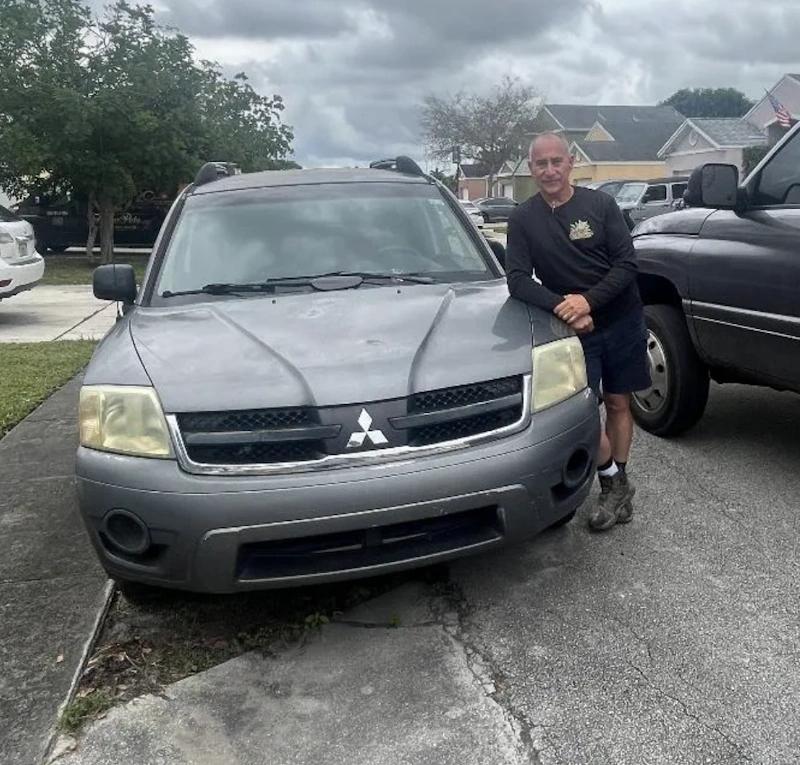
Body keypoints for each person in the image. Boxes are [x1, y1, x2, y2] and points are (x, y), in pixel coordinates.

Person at [505, 132, 651, 531]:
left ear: (570, 163)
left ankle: (614, 485)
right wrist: (564, 308)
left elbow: (626, 264)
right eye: (541, 164)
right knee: (582, 410)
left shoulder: (601, 206)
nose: (550, 170)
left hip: (621, 321)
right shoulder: (522, 219)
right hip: (571, 334)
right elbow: (517, 279)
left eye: (557, 161)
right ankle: (612, 480)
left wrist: (588, 302)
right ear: (531, 168)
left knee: (620, 404)